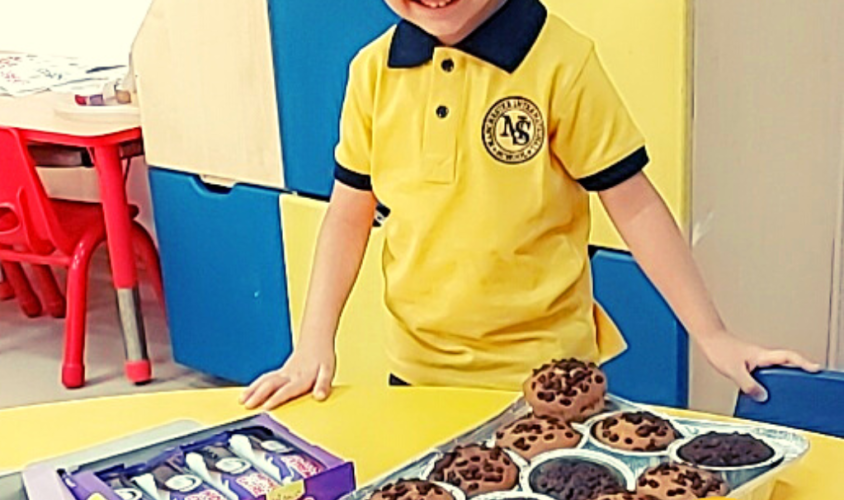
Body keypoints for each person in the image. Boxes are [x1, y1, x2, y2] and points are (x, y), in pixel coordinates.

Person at [241, 0, 819, 410]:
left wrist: (712, 335)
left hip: (551, 377)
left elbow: (634, 204)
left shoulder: (562, 62)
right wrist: (313, 341)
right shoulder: (371, 72)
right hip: (420, 374)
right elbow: (349, 214)